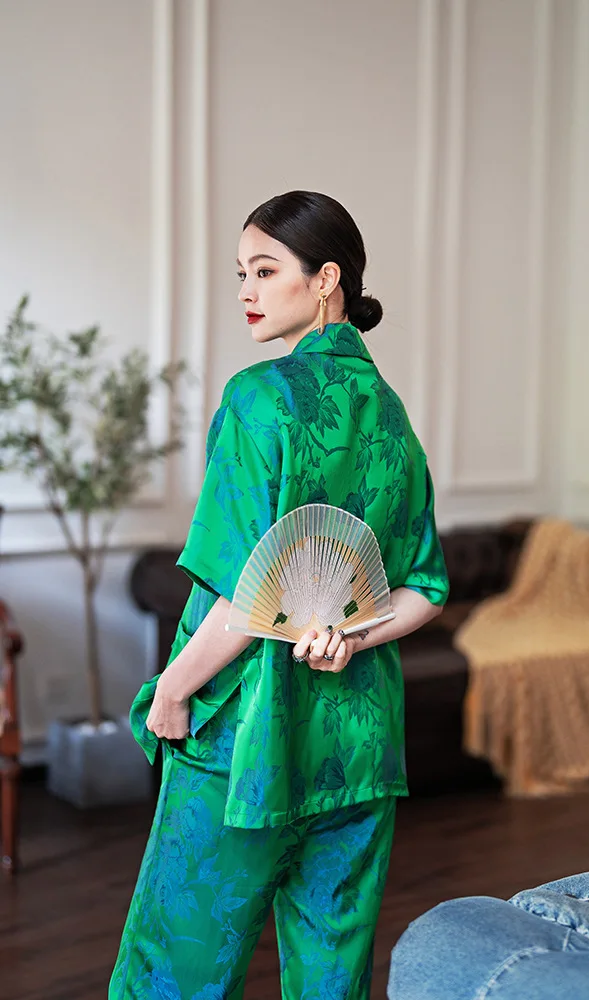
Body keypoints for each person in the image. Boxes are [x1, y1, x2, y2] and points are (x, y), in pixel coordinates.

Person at [109, 190, 450, 999]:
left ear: (326, 278)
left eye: (265, 271)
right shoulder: (392, 415)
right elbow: (427, 587)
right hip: (359, 748)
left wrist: (172, 692)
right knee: (333, 978)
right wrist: (351, 637)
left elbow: (240, 598)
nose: (246, 291)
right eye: (242, 273)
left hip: (249, 741)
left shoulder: (260, 398)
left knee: (173, 969)